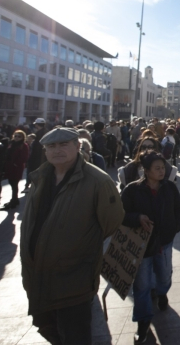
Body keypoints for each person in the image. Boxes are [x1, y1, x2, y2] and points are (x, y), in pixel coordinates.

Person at [20, 127, 124, 344]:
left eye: (63, 144)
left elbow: (111, 221)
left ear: (77, 147)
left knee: (75, 334)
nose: (57, 150)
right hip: (38, 277)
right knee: (47, 327)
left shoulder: (97, 181)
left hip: (74, 279)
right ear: (45, 151)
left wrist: (81, 245)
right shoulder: (40, 177)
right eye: (51, 146)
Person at [121, 150, 180, 343]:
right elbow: (121, 214)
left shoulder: (169, 188)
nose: (161, 171)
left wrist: (174, 227)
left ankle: (162, 292)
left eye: (162, 167)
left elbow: (178, 208)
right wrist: (137, 218)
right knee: (141, 285)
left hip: (164, 242)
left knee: (164, 276)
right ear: (146, 171)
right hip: (142, 246)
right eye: (156, 168)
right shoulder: (132, 190)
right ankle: (143, 322)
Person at [1, 130, 30, 211]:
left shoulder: (24, 145)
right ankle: (15, 200)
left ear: (22, 137)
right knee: (11, 183)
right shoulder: (12, 143)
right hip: (9, 167)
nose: (17, 138)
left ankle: (13, 201)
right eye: (15, 136)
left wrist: (16, 164)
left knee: (14, 184)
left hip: (16, 168)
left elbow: (25, 157)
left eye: (19, 136)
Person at [24, 117, 47, 192]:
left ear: (37, 125)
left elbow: (37, 147)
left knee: (34, 171)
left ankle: (32, 185)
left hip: (38, 157)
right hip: (42, 156)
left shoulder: (39, 133)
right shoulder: (46, 132)